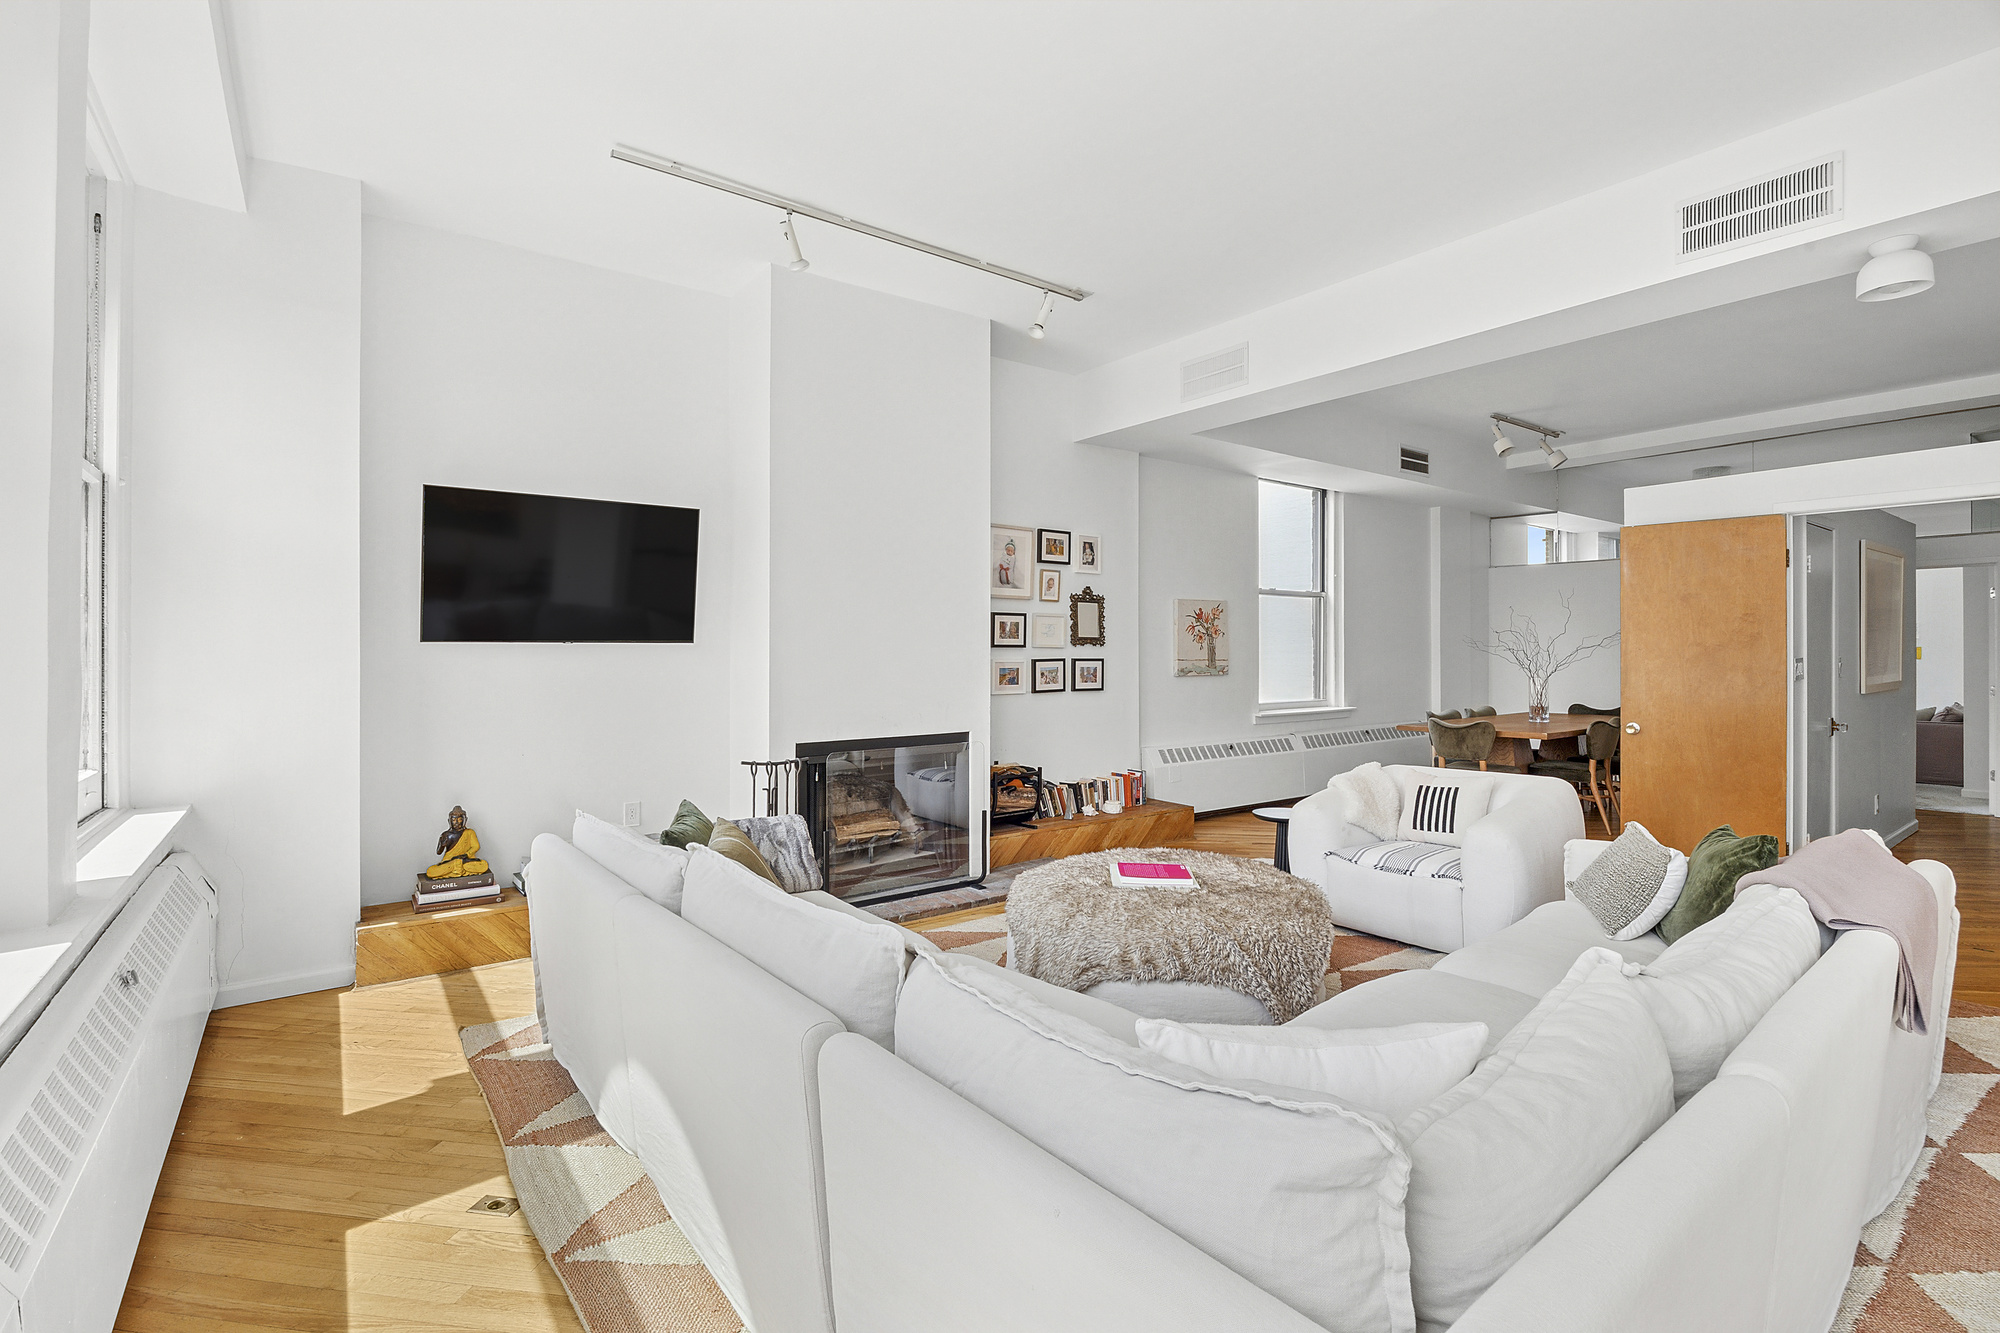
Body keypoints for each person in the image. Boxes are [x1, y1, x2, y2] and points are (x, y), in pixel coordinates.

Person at [425, 805, 491, 879]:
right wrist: (442, 845)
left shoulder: (469, 832)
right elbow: (438, 852)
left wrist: (466, 855)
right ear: (449, 821)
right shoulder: (445, 834)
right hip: (450, 861)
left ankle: (456, 869)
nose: (457, 822)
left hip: (465, 861)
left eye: (460, 820)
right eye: (454, 820)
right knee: (431, 871)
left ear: (465, 820)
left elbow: (476, 846)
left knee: (483, 865)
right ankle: (457, 867)